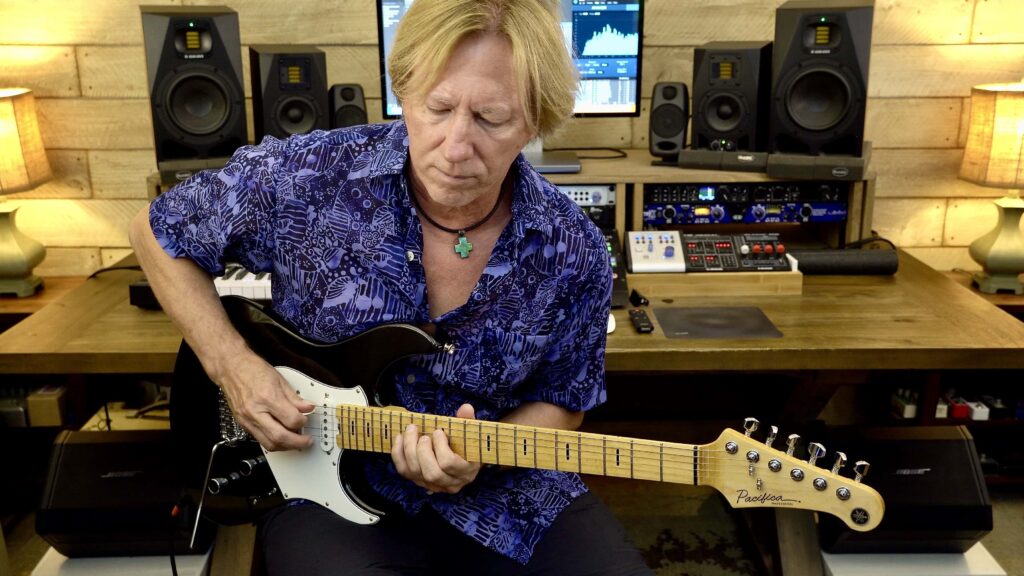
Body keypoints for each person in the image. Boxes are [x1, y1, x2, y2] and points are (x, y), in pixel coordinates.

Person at [130, 0, 652, 573]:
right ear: (404, 90)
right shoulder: (307, 176)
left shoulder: (572, 245)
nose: (455, 147)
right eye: (438, 107)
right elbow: (156, 234)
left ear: (535, 120)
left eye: (492, 118)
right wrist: (233, 366)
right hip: (317, 483)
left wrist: (475, 456)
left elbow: (563, 399)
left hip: (504, 493)